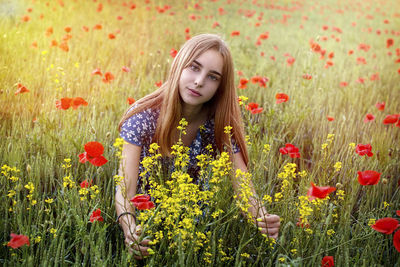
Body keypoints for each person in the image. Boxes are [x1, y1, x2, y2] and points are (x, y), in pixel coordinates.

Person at [115, 33, 280, 258]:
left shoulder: (218, 125)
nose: (200, 81)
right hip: (146, 220)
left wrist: (262, 218)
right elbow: (125, 188)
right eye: (194, 68)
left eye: (212, 77)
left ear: (220, 87)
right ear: (179, 66)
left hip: (192, 224)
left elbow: (243, 186)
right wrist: (130, 231)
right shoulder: (143, 118)